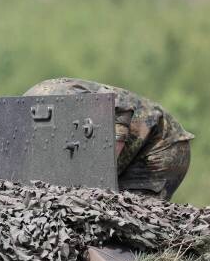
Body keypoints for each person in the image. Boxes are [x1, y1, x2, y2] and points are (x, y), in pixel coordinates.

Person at [24, 78, 193, 199]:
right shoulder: (28, 109)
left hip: (160, 144)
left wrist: (98, 178)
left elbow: (117, 107)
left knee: (129, 215)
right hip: (132, 150)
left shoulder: (57, 98)